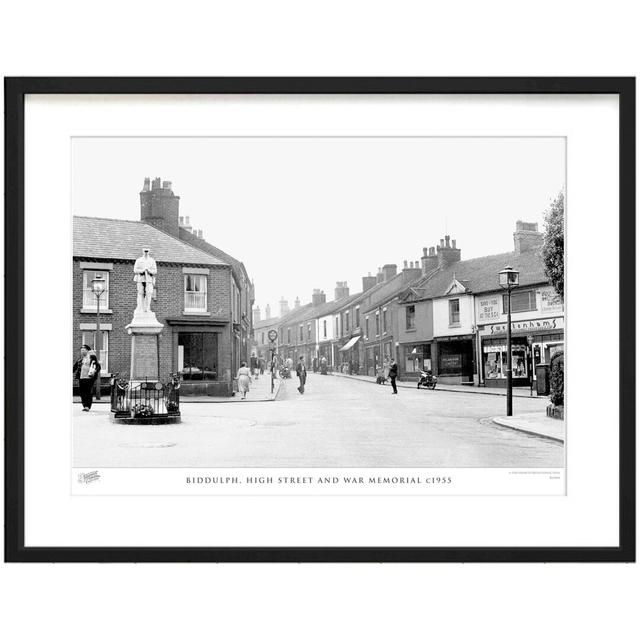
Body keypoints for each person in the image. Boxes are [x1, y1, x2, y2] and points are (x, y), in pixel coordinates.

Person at [74, 344, 99, 411]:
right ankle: (84, 405)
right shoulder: (80, 359)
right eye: (81, 350)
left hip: (89, 378)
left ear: (87, 350)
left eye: (83, 350)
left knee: (88, 392)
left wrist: (94, 372)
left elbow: (98, 366)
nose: (82, 351)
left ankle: (87, 406)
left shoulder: (92, 357)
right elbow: (74, 367)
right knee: (82, 392)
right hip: (81, 377)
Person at [133, 248, 158, 313]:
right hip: (141, 279)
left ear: (149, 252)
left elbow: (155, 271)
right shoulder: (139, 260)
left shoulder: (152, 261)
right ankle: (140, 308)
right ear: (143, 251)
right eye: (145, 251)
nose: (146, 252)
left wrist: (149, 271)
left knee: (149, 293)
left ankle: (147, 308)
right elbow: (135, 270)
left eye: (147, 251)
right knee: (140, 293)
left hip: (149, 279)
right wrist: (142, 270)